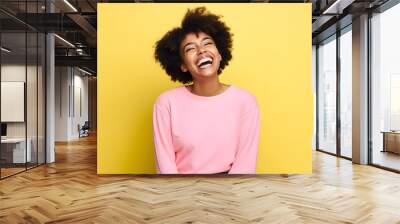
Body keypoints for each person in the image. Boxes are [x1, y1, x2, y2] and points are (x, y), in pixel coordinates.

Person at [153, 7, 260, 174]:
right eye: (190, 48)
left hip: (229, 192)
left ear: (220, 53)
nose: (201, 50)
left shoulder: (245, 101)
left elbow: (245, 164)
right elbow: (165, 164)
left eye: (208, 43)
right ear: (182, 65)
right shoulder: (166, 103)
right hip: (179, 191)